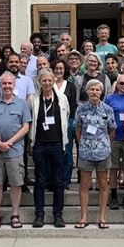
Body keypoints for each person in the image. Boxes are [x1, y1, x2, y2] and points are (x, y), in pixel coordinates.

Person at [0, 72, 33, 229]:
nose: (6, 86)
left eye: (9, 83)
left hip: (15, 149)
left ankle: (15, 214)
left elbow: (26, 127)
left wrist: (10, 142)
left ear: (14, 85)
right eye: (3, 83)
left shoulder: (22, 104)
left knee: (16, 183)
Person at [28, 68, 70, 228]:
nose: (47, 83)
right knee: (40, 181)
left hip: (57, 144)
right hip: (39, 144)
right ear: (39, 82)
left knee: (58, 181)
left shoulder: (62, 98)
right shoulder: (33, 99)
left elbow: (66, 118)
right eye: (44, 80)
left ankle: (58, 215)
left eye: (49, 80)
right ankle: (39, 214)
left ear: (53, 81)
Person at [73, 79, 116, 229]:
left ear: (101, 92)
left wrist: (103, 142)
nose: (94, 92)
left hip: (103, 151)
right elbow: (77, 129)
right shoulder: (81, 110)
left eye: (97, 90)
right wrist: (83, 143)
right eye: (92, 89)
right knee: (84, 184)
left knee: (103, 183)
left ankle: (102, 217)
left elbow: (112, 130)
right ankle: (83, 217)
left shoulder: (108, 110)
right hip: (85, 151)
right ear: (87, 91)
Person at [105, 74, 124, 210]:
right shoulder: (109, 99)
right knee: (114, 168)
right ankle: (114, 197)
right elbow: (104, 117)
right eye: (122, 83)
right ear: (117, 85)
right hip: (114, 138)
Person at [51, 60, 78, 190]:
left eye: (61, 68)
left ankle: (65, 180)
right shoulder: (49, 84)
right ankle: (53, 180)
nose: (59, 71)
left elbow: (73, 105)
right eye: (56, 68)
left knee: (66, 152)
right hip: (51, 123)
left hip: (67, 121)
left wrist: (67, 121)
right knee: (53, 152)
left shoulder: (70, 86)